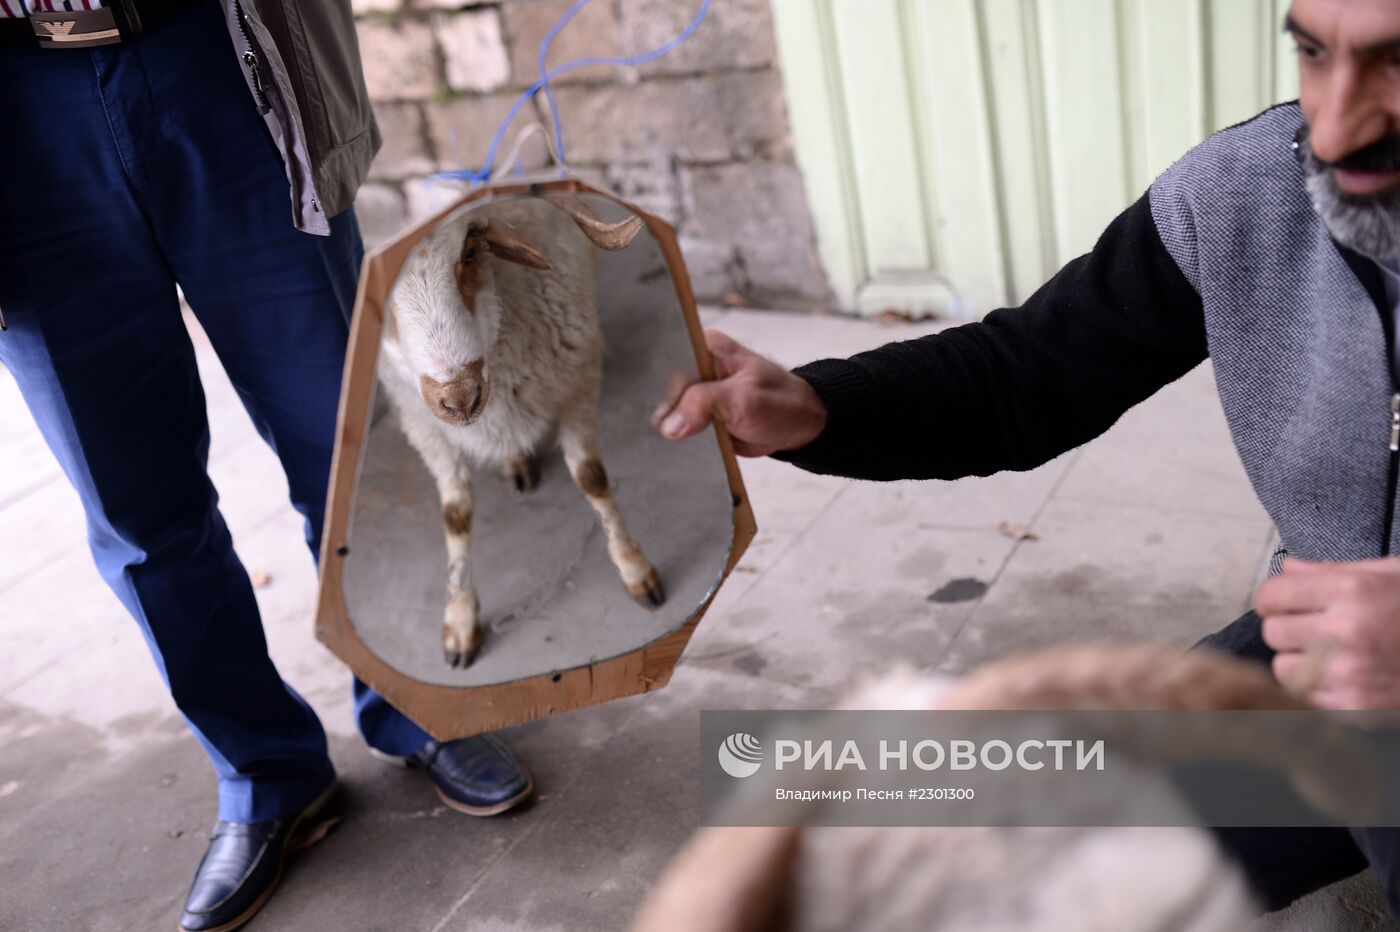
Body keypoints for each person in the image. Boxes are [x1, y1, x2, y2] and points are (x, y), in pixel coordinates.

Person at [655, 0, 1400, 915]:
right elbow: (1029, 370)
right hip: (1325, 665)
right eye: (1314, 52)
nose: (1335, 127)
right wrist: (814, 407)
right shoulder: (1247, 191)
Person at [0, 2, 532, 930]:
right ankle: (264, 769)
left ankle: (419, 701)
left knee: (345, 446)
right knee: (136, 511)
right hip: (18, 116)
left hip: (220, 56)